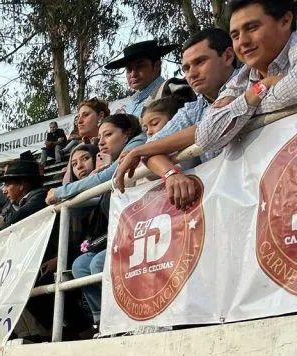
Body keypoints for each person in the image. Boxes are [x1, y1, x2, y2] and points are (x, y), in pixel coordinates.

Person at [115, 27, 241, 207]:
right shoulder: (193, 109)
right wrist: (170, 173)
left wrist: (139, 150)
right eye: (186, 68)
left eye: (200, 62)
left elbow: (214, 125)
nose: (192, 73)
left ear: (228, 56)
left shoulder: (252, 82)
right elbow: (151, 147)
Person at [196, 0, 297, 152]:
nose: (242, 41)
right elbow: (205, 138)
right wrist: (261, 88)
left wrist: (242, 110)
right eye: (235, 36)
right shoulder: (242, 78)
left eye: (252, 28)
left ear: (285, 21)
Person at [46, 114, 145, 204]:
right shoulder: (116, 157)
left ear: (127, 133)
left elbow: (110, 175)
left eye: (108, 134)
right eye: (99, 137)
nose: (100, 143)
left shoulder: (139, 141)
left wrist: (61, 191)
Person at [105, 39, 176, 117]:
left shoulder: (170, 93)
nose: (133, 74)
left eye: (140, 66)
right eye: (129, 69)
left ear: (157, 65)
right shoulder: (131, 102)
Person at [0, 158, 47, 228]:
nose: (4, 191)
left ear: (21, 185)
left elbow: (16, 217)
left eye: (7, 185)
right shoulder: (11, 204)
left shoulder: (41, 195)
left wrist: (2, 222)